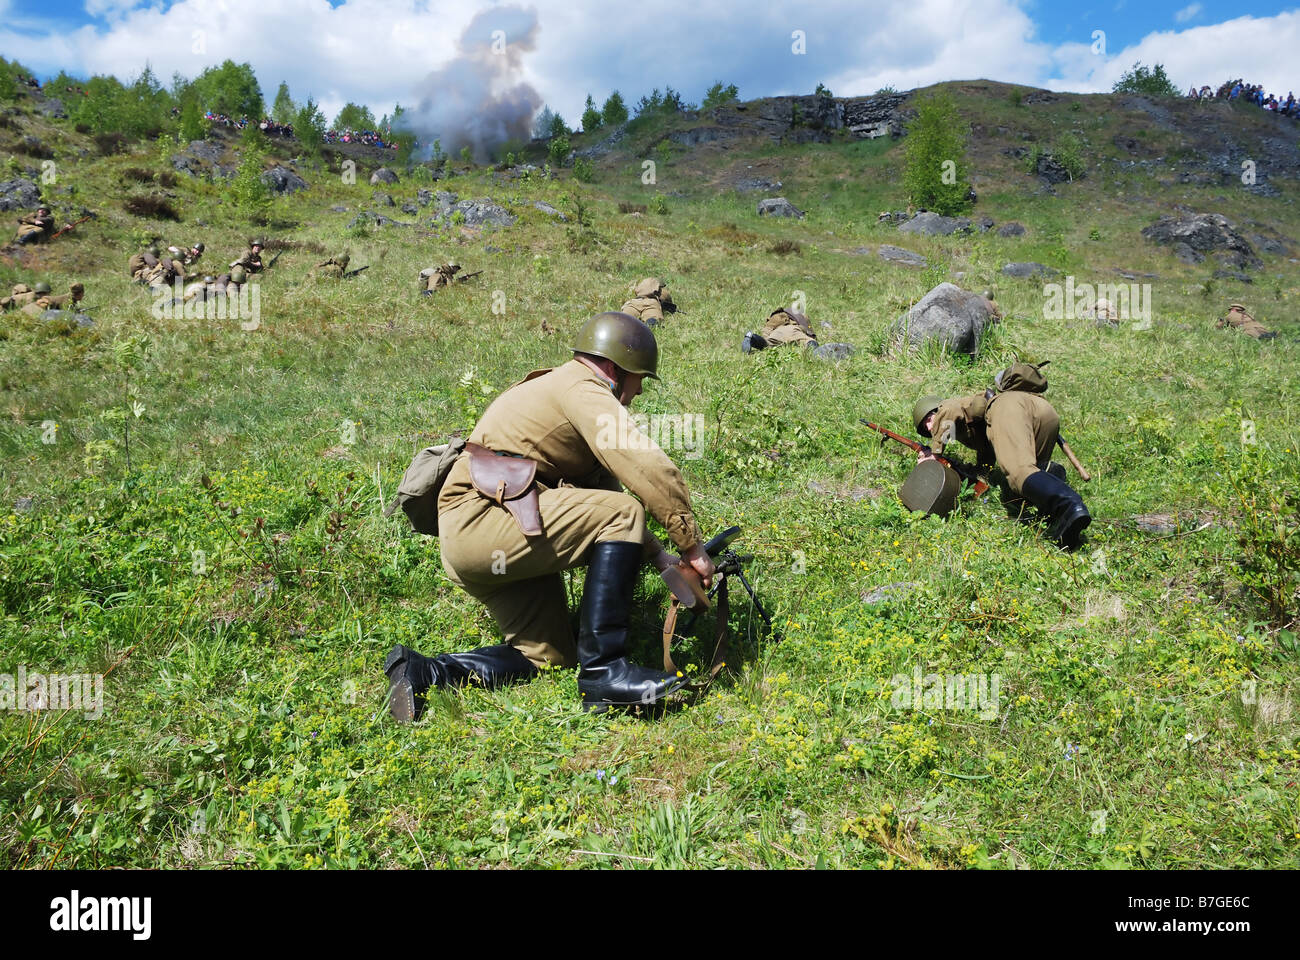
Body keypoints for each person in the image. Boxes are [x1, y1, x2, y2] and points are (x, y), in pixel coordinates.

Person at [384, 311, 716, 720]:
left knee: (547, 653)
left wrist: (659, 555)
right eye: (640, 379)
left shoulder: (559, 386)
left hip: (481, 537)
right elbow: (643, 464)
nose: (640, 392)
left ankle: (424, 672)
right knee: (622, 512)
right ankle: (605, 673)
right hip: (484, 521)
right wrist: (693, 545)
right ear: (615, 368)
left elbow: (595, 498)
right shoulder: (582, 387)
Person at [913, 390, 1091, 548]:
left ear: (937, 410)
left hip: (1010, 408)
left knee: (1020, 473)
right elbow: (988, 449)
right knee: (1032, 475)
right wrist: (980, 473)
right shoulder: (971, 425)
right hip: (1043, 411)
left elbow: (948, 410)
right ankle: (1055, 505)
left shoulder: (948, 407)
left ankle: (1069, 506)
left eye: (929, 419)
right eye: (925, 428)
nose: (929, 427)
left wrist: (934, 455)